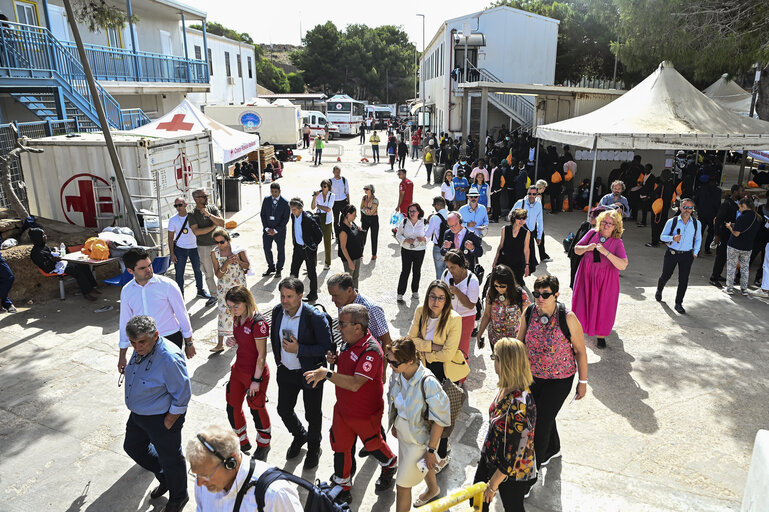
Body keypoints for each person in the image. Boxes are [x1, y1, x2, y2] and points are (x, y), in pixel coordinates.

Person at [304, 304, 398, 504]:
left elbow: (356, 383)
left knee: (373, 444)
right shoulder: (349, 340)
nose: (338, 328)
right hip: (343, 409)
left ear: (358, 327)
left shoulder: (371, 351)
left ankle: (389, 463)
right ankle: (343, 485)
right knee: (340, 445)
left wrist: (327, 374)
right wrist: (336, 360)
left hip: (365, 412)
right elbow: (348, 366)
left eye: (342, 324)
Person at [516, 275, 588, 471]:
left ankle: (532, 471)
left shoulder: (568, 317)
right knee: (542, 414)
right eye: (537, 293)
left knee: (540, 422)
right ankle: (553, 448)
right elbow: (519, 342)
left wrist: (583, 382)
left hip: (560, 379)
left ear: (556, 294)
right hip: (533, 376)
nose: (540, 298)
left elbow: (580, 350)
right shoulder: (529, 312)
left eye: (545, 294)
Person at [122, 315, 191, 512]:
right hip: (139, 415)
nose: (137, 347)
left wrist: (169, 420)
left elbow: (183, 393)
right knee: (133, 447)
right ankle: (165, 477)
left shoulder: (169, 358)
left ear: (156, 335)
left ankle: (179, 496)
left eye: (142, 341)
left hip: (161, 417)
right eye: (133, 342)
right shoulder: (141, 348)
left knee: (171, 458)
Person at [270, 277, 334, 469]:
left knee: (312, 415)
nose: (284, 300)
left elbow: (326, 347)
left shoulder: (314, 316)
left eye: (289, 296)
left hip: (310, 373)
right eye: (282, 296)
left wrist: (299, 349)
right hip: (286, 371)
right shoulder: (277, 312)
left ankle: (314, 448)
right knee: (283, 409)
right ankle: (300, 436)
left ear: (300, 296)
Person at [386, 337, 451, 511]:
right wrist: (395, 423)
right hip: (404, 437)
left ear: (410, 361)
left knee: (402, 485)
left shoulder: (428, 382)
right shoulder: (401, 373)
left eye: (394, 362)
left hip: (419, 443)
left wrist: (431, 450)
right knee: (422, 466)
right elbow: (399, 403)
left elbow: (440, 420)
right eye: (388, 359)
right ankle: (433, 489)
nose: (390, 365)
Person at [407, 280, 466, 470]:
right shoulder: (420, 310)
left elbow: (448, 353)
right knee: (427, 410)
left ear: (447, 300)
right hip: (425, 368)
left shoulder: (454, 319)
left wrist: (424, 350)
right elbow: (410, 339)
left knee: (442, 415)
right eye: (433, 296)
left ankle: (441, 455)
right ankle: (431, 446)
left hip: (445, 372)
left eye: (441, 298)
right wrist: (432, 346)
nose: (436, 301)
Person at [473, 338, 537, 512]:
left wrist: (493, 485)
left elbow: (514, 454)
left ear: (505, 363)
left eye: (495, 357)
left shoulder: (519, 404)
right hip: (491, 454)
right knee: (476, 501)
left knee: (513, 507)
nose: (493, 361)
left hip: (511, 471)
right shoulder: (506, 386)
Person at [187, 425, 302, 510]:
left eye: (206, 475)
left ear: (231, 463)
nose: (199, 483)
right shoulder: (205, 484)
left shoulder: (276, 495)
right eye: (197, 474)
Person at [118, 248, 195, 371]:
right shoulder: (127, 291)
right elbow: (124, 322)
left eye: (149, 265)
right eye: (142, 268)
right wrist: (122, 355)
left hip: (170, 339)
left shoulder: (168, 285)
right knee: (149, 381)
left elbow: (182, 314)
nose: (149, 270)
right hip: (143, 342)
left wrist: (189, 343)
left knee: (172, 377)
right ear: (130, 271)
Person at [223, 286, 271, 459]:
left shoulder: (258, 323)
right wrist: (233, 340)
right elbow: (244, 341)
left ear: (246, 302)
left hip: (254, 375)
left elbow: (261, 356)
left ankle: (264, 444)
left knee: (256, 409)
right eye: (230, 307)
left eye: (236, 306)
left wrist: (256, 381)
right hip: (238, 371)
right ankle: (242, 441)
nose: (232, 310)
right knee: (232, 407)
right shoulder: (237, 318)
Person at [572, 209, 629, 348]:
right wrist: (586, 248)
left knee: (603, 306)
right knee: (582, 304)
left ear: (615, 226)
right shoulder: (592, 233)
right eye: (604, 222)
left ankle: (601, 335)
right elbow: (576, 249)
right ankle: (578, 333)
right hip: (586, 276)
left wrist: (606, 252)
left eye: (610, 223)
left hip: (606, 281)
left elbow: (623, 265)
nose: (606, 225)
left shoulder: (617, 242)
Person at [327, 272, 393, 359]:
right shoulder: (342, 304)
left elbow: (386, 341)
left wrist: (382, 370)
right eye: (331, 295)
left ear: (349, 290)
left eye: (336, 295)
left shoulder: (371, 309)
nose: (332, 300)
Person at [654, 198, 702, 314]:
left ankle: (678, 303)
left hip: (687, 255)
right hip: (672, 253)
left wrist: (695, 252)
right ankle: (659, 290)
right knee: (666, 275)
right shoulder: (672, 221)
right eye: (685, 207)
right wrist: (672, 238)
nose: (687, 210)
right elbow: (662, 237)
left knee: (683, 280)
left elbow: (698, 239)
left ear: (693, 209)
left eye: (690, 207)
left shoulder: (696, 223)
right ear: (680, 207)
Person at [28, 227, 99, 301]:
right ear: (37, 237)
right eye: (43, 235)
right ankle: (86, 293)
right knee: (76, 268)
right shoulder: (36, 253)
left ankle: (92, 287)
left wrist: (55, 250)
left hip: (58, 263)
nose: (45, 236)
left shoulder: (43, 246)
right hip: (53, 268)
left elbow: (49, 252)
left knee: (83, 264)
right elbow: (46, 267)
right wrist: (54, 260)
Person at [210, 227, 250, 353]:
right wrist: (227, 262)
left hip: (238, 285)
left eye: (222, 242)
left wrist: (238, 260)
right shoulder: (214, 253)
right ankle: (220, 344)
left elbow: (247, 265)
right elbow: (218, 275)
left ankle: (243, 339)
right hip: (224, 287)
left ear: (228, 240)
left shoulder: (237, 249)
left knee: (241, 311)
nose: (219, 245)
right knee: (223, 312)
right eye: (217, 242)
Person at [477, 265, 530, 351]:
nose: (499, 289)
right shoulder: (491, 293)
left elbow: (527, 318)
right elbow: (487, 315)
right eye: (496, 286)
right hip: (496, 340)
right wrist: (480, 334)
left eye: (502, 286)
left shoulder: (521, 295)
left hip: (515, 341)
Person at [441, 249, 479, 366]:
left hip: (466, 318)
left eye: (453, 267)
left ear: (462, 265)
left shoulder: (472, 281)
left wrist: (456, 291)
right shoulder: (446, 274)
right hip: (449, 316)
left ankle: (460, 379)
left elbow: (470, 305)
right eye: (448, 267)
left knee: (462, 349)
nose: (450, 270)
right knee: (446, 346)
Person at [189, 188, 223, 307]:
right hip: (203, 247)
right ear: (196, 199)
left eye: (206, 195)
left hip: (219, 245)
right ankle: (214, 295)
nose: (206, 198)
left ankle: (224, 293)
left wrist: (209, 215)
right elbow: (197, 232)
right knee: (209, 273)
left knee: (222, 270)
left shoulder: (212, 208)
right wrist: (213, 226)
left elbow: (222, 222)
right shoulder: (192, 214)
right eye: (204, 196)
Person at [168, 196, 204, 298]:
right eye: (176, 206)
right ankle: (180, 295)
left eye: (180, 205)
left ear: (185, 205)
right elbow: (170, 238)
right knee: (179, 273)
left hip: (194, 248)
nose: (178, 207)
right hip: (180, 249)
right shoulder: (173, 220)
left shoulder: (193, 216)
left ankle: (200, 290)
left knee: (198, 270)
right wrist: (172, 253)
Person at [725, 196, 761, 296]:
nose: (739, 209)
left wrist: (729, 227)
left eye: (740, 207)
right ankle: (744, 289)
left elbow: (736, 233)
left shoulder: (742, 217)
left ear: (744, 206)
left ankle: (730, 288)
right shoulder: (757, 217)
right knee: (745, 268)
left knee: (731, 266)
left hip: (735, 245)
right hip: (748, 247)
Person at [288, 198, 323, 302]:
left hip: (307, 249)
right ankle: (293, 292)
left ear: (300, 209)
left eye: (294, 209)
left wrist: (313, 246)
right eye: (291, 209)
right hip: (298, 248)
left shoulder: (309, 220)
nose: (292, 212)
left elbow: (319, 235)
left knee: (311, 273)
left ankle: (313, 294)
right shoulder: (293, 216)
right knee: (293, 272)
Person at [710, 184, 744, 287]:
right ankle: (714, 278)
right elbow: (719, 220)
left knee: (725, 256)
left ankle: (718, 274)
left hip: (732, 235)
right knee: (720, 256)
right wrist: (716, 235)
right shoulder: (727, 204)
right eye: (741, 191)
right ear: (735, 192)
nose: (743, 193)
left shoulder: (738, 204)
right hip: (724, 234)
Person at [396, 202, 428, 302]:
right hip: (406, 250)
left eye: (414, 211)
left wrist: (424, 239)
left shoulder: (424, 222)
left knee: (416, 271)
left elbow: (429, 235)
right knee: (405, 271)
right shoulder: (404, 222)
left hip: (419, 251)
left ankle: (415, 291)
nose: (411, 213)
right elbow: (398, 234)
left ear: (419, 212)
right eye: (410, 211)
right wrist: (405, 240)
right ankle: (400, 293)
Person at [567, 206, 605, 288]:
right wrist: (571, 254)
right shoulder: (585, 225)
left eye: (592, 217)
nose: (590, 218)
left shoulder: (603, 233)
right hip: (577, 257)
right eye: (590, 216)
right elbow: (576, 240)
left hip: (588, 262)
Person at [493, 208, 532, 285]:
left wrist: (527, 266)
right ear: (514, 218)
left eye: (524, 218)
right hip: (504, 261)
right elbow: (500, 246)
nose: (522, 221)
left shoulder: (526, 233)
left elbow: (526, 250)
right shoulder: (505, 229)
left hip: (518, 263)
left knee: (516, 286)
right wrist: (495, 260)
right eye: (519, 218)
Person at [509, 185, 545, 265]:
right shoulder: (520, 203)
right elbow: (510, 216)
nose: (531, 196)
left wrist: (539, 236)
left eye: (534, 194)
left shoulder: (538, 205)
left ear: (537, 194)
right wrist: (518, 222)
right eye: (529, 193)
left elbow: (540, 221)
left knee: (531, 258)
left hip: (530, 232)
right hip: (519, 231)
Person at [260, 182, 290, 277]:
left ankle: (279, 268)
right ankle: (271, 266)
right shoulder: (266, 200)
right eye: (272, 192)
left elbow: (286, 219)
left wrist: (276, 230)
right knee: (266, 248)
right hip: (267, 230)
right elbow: (263, 215)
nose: (274, 194)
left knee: (280, 249)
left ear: (280, 191)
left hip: (279, 232)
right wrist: (267, 228)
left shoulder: (285, 203)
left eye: (276, 192)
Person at [647, 169, 676, 248]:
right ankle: (661, 239)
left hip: (659, 207)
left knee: (656, 224)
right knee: (663, 224)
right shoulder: (671, 184)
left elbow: (654, 194)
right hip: (666, 207)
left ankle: (654, 242)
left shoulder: (662, 185)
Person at [693, 175, 722, 254]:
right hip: (712, 214)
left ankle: (697, 250)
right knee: (711, 232)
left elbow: (695, 200)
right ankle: (707, 249)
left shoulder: (701, 189)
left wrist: (699, 208)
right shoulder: (718, 191)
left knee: (700, 232)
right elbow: (718, 204)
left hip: (702, 213)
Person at [338, 204, 365, 289]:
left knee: (356, 277)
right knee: (349, 280)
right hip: (350, 259)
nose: (356, 216)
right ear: (348, 215)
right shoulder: (343, 230)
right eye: (354, 215)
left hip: (357, 257)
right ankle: (349, 298)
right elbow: (343, 247)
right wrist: (349, 262)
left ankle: (356, 294)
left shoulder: (352, 224)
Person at [311, 179, 335, 270]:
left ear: (328, 187)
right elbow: (313, 207)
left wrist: (319, 206)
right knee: (315, 241)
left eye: (325, 186)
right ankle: (313, 262)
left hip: (327, 220)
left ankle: (327, 262)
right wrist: (314, 198)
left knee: (327, 242)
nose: (323, 188)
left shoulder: (332, 195)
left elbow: (329, 209)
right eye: (322, 186)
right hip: (318, 218)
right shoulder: (318, 196)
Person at [425, 196, 450, 279]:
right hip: (450, 247)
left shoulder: (434, 218)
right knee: (449, 273)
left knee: (439, 273)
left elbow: (428, 234)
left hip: (438, 247)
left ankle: (440, 291)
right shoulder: (452, 215)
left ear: (437, 205)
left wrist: (427, 224)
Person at [330, 166, 351, 238]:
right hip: (335, 202)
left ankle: (345, 234)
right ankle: (337, 236)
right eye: (336, 172)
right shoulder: (330, 181)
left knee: (346, 218)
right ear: (333, 172)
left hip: (343, 201)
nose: (337, 174)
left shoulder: (344, 180)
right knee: (336, 220)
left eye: (338, 172)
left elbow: (347, 191)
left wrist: (349, 203)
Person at [360, 184, 379, 260]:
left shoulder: (375, 200)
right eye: (364, 189)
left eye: (367, 189)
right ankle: (361, 252)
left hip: (373, 219)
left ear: (371, 190)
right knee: (362, 236)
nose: (365, 190)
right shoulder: (364, 198)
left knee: (374, 237)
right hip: (365, 218)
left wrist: (365, 209)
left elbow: (371, 212)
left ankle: (374, 254)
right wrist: (366, 209)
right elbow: (361, 208)